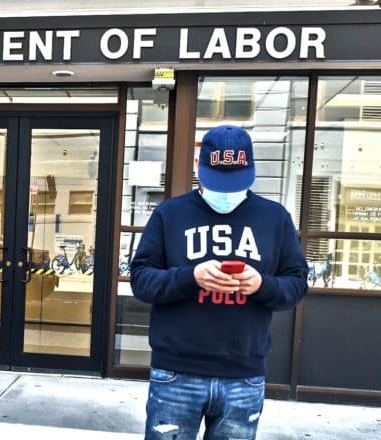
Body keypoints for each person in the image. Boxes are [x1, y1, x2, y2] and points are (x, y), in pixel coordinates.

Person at [130, 124, 309, 440]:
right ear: (199, 167)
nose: (226, 193)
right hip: (176, 373)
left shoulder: (275, 218)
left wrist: (262, 285)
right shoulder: (169, 214)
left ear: (251, 171)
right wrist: (191, 276)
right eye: (219, 182)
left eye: (233, 183)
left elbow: (296, 285)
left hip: (243, 376)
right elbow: (141, 280)